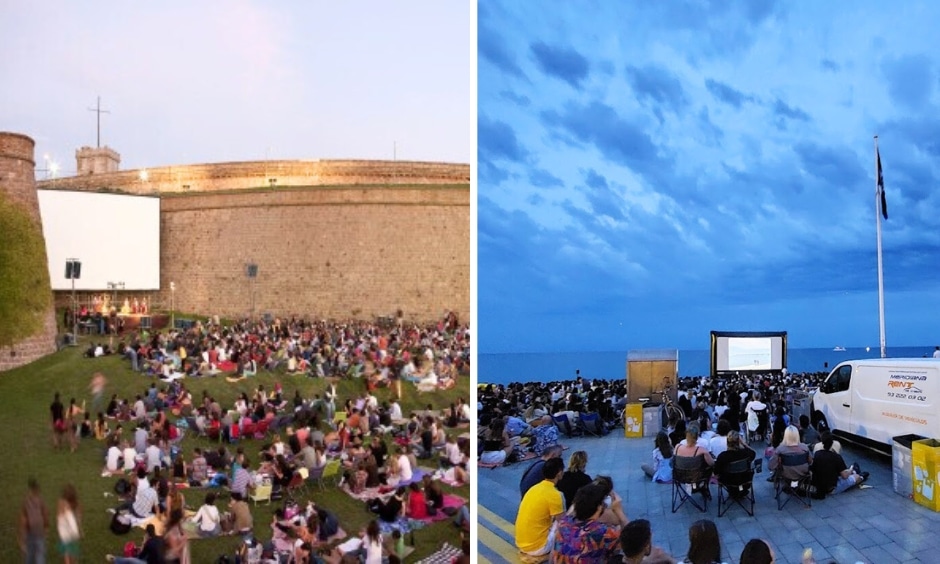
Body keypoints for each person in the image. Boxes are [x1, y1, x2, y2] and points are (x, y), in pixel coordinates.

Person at [552, 483, 623, 563]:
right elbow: (632, 545)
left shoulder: (563, 522)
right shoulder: (602, 532)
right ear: (599, 507)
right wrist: (619, 511)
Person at [514, 457, 565, 558]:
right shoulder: (555, 495)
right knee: (564, 521)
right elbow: (563, 523)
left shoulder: (534, 488)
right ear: (559, 473)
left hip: (521, 543)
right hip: (537, 548)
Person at [810, 432, 868, 498]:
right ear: (832, 443)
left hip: (819, 486)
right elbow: (844, 476)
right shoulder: (836, 457)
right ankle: (860, 475)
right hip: (832, 488)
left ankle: (854, 471)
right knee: (856, 477)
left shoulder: (817, 454)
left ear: (822, 442)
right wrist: (850, 471)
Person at [714, 431, 756, 496]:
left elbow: (716, 471)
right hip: (745, 480)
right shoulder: (746, 453)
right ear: (739, 441)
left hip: (728, 481)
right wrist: (744, 444)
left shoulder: (722, 456)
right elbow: (753, 453)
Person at [20, 478, 49, 564]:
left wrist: (46, 527)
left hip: (38, 533)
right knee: (31, 555)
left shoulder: (40, 501)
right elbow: (23, 518)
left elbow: (45, 514)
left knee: (38, 556)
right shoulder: (27, 502)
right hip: (31, 533)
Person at [57, 484, 82, 564]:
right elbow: (78, 516)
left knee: (66, 551)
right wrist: (79, 529)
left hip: (64, 529)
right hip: (72, 529)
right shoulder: (75, 502)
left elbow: (59, 516)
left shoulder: (61, 502)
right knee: (73, 550)